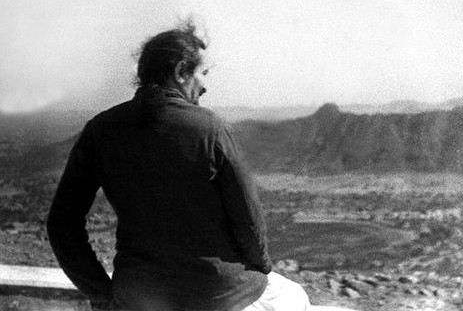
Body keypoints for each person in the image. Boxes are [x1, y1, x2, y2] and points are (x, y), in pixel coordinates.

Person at [46, 22, 311, 311]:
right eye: (202, 73)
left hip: (138, 294)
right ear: (182, 71)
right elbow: (248, 221)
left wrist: (100, 292)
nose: (205, 85)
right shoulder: (210, 129)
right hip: (219, 293)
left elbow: (62, 224)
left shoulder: (100, 130)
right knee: (295, 297)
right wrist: (260, 268)